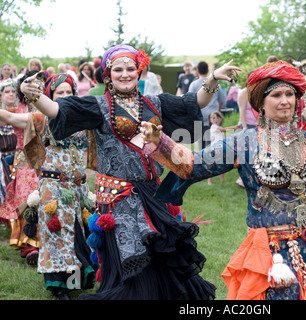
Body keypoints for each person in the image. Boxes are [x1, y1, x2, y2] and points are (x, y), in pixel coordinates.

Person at [141, 60, 306, 300]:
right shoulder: (244, 142)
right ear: (260, 103)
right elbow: (193, 166)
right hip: (275, 252)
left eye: (290, 94)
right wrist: (160, 141)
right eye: (276, 95)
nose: (285, 100)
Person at [20, 43, 241, 300]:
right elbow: (57, 110)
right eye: (118, 70)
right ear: (108, 74)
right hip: (118, 196)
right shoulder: (97, 106)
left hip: (152, 193)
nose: (125, 74)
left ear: (139, 71)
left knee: (161, 257)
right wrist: (32, 94)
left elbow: (194, 102)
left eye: (130, 69)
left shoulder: (157, 102)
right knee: (133, 262)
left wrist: (213, 78)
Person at [12, 72, 97, 299]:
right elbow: (10, 118)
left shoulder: (83, 119)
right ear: (50, 94)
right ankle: (59, 288)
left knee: (78, 233)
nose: (66, 96)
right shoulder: (41, 118)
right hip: (54, 187)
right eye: (60, 92)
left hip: (79, 188)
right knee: (57, 234)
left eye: (69, 92)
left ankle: (76, 281)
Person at [0, 71, 41, 265]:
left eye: (40, 84)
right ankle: (29, 246)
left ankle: (47, 242)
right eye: (32, 84)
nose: (37, 87)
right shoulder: (17, 111)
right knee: (26, 201)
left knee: (47, 199)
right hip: (24, 162)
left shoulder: (51, 109)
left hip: (48, 162)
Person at [189, 61, 226, 150]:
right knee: (213, 143)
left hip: (199, 117)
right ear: (208, 70)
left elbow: (189, 102)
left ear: (197, 71)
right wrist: (218, 111)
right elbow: (222, 100)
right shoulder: (215, 83)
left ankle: (203, 162)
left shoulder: (193, 84)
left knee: (201, 145)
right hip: (213, 117)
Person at [207, 111, 240, 185]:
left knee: (221, 164)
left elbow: (222, 135)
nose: (216, 120)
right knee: (213, 165)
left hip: (220, 149)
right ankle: (209, 181)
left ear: (221, 119)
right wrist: (234, 127)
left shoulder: (220, 127)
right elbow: (223, 130)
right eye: (213, 118)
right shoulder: (213, 127)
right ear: (210, 120)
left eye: (218, 118)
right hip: (215, 149)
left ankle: (222, 180)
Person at [0, 79, 18, 186]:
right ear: (0, 96)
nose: (11, 94)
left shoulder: (22, 112)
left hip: (20, 160)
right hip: (2, 162)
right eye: (7, 92)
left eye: (13, 91)